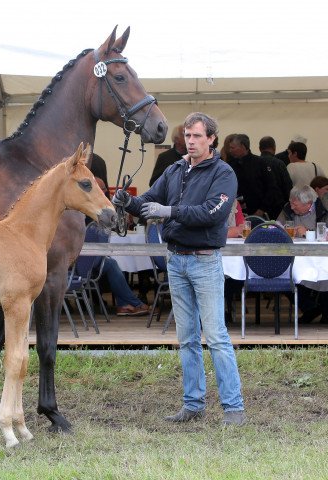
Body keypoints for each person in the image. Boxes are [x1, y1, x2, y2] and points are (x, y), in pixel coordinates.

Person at [112, 112, 245, 425]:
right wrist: (127, 202)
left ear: (212, 139)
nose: (192, 141)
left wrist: (168, 211)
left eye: (198, 136)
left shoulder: (223, 173)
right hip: (177, 259)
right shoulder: (174, 169)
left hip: (204, 259)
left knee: (215, 336)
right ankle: (193, 404)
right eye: (188, 136)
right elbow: (149, 199)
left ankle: (233, 408)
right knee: (186, 337)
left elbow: (211, 213)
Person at [276, 185, 328, 324]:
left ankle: (324, 311)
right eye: (291, 202)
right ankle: (311, 308)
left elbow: (325, 233)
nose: (291, 207)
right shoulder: (287, 209)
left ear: (308, 203)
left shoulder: (324, 210)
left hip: (319, 256)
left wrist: (308, 232)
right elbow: (276, 227)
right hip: (295, 256)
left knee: (324, 274)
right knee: (281, 274)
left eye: (295, 204)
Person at [228, 134, 282, 219]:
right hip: (237, 212)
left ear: (242, 146)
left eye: (232, 148)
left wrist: (262, 209)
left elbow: (272, 188)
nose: (230, 150)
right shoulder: (231, 165)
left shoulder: (260, 163)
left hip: (259, 213)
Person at [259, 136, 293, 217]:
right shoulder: (279, 163)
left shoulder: (254, 163)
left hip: (259, 209)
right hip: (278, 208)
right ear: (274, 148)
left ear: (260, 148)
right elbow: (287, 186)